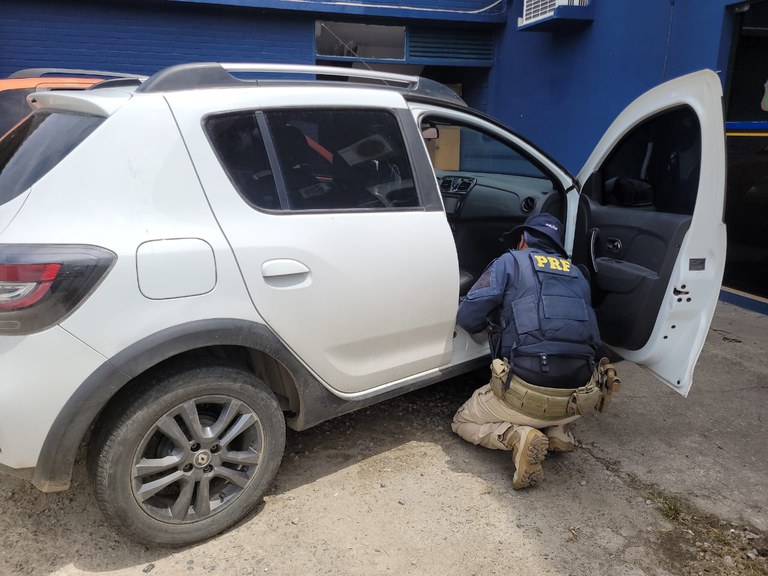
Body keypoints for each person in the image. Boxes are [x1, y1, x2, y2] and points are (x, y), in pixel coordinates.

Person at [452, 213, 619, 489]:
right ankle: (560, 431)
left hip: (526, 394)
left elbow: (468, 315)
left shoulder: (510, 262)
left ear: (522, 240)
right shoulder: (577, 274)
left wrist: (491, 322)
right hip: (580, 399)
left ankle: (516, 436)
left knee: (462, 422)